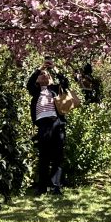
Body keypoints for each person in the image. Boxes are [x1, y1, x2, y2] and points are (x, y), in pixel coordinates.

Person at [26, 56, 69, 195]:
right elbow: (29, 83)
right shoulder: (35, 91)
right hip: (43, 126)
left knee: (57, 157)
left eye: (46, 74)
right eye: (41, 75)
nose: (44, 75)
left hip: (57, 124)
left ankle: (56, 187)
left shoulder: (55, 89)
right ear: (37, 80)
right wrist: (40, 68)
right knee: (43, 158)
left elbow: (65, 82)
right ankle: (42, 188)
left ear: (50, 79)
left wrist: (54, 68)